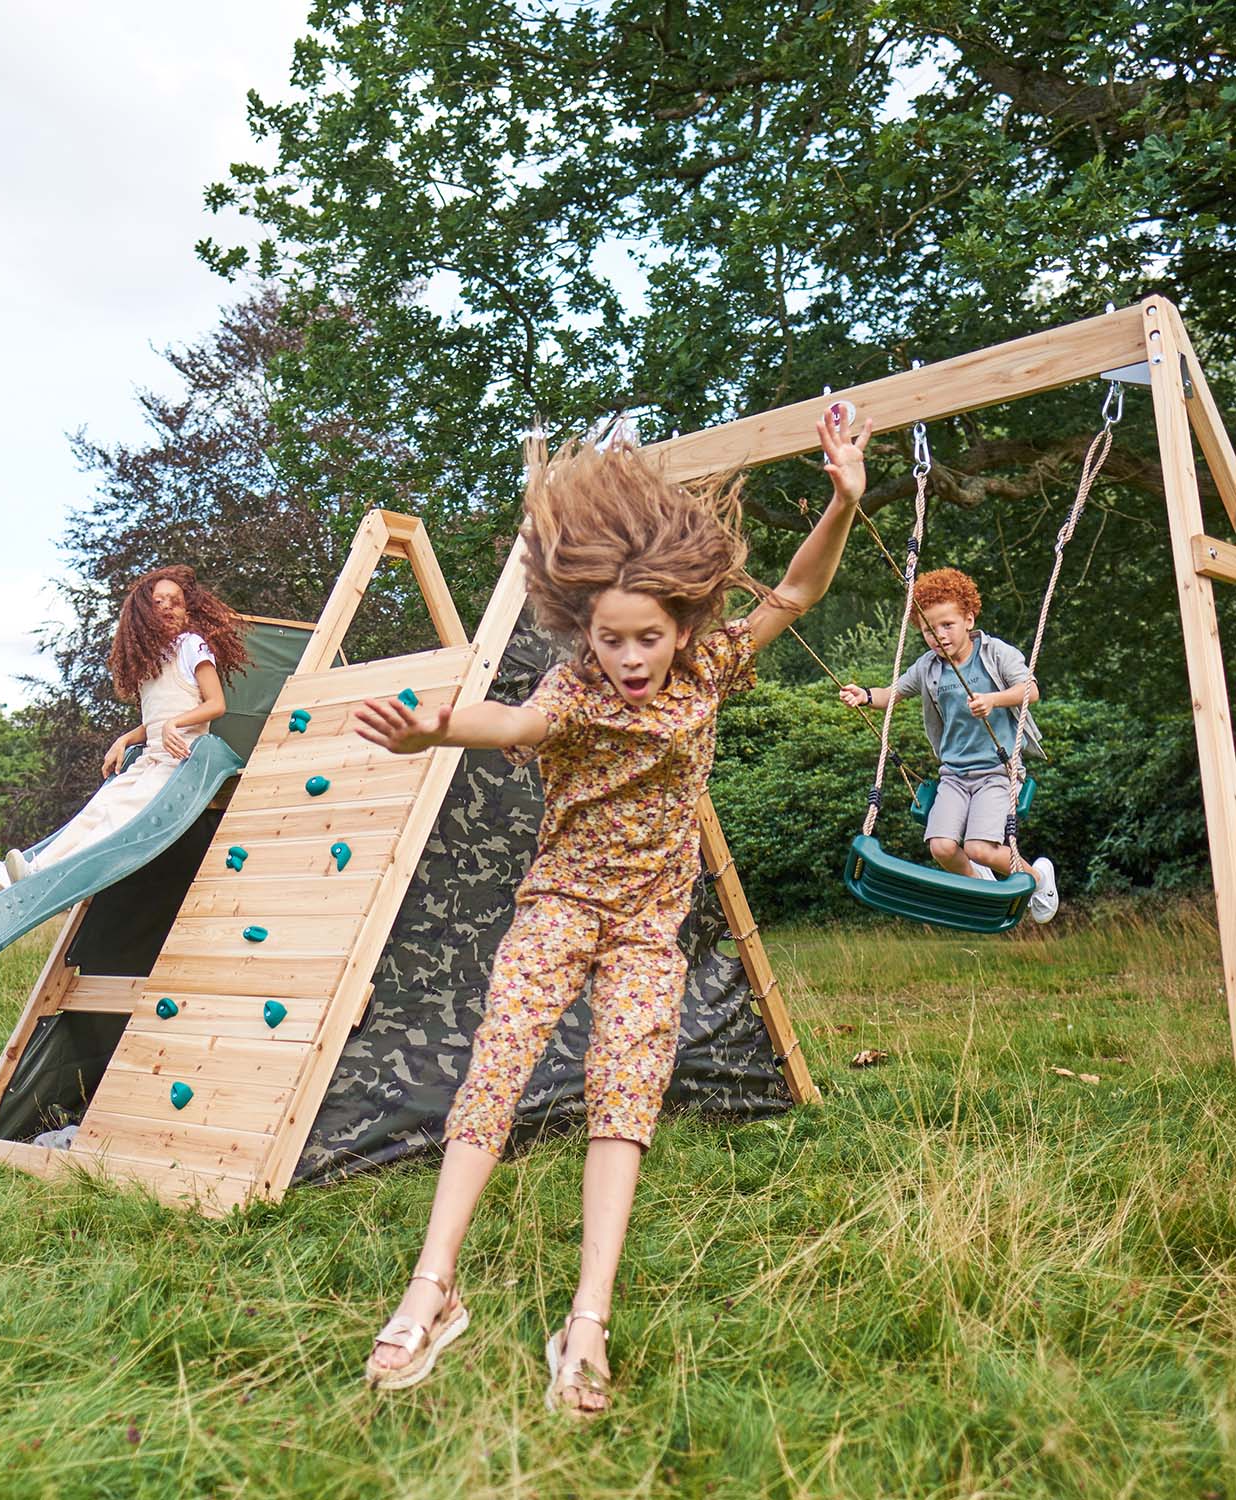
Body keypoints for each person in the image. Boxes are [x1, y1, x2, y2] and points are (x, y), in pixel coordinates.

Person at [352, 407, 872, 1416]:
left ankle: (585, 1319)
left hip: (648, 926)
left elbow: (800, 589)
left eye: (647, 639)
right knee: (497, 1066)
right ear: (584, 633)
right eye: (610, 639)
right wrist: (435, 731)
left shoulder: (710, 667)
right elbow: (513, 719)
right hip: (561, 906)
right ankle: (433, 1287)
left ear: (683, 628)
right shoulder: (576, 692)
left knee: (624, 1099)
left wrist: (844, 498)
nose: (630, 658)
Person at [0, 566, 248, 896]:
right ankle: (26, 870)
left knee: (118, 816)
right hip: (153, 759)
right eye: (159, 601)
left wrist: (174, 724)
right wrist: (126, 738)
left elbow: (215, 704)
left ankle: (43, 875)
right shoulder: (150, 663)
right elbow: (156, 719)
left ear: (187, 611)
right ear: (143, 613)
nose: (168, 606)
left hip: (183, 760)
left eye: (176, 601)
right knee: (97, 808)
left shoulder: (191, 646)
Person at [839, 566, 1058, 921]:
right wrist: (863, 695)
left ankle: (1036, 878)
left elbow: (1029, 690)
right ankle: (981, 887)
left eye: (947, 625)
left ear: (968, 619)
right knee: (941, 847)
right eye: (928, 630)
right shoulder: (928, 668)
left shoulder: (995, 653)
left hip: (997, 772)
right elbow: (892, 693)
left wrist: (993, 700)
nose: (938, 636)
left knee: (979, 847)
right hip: (954, 776)